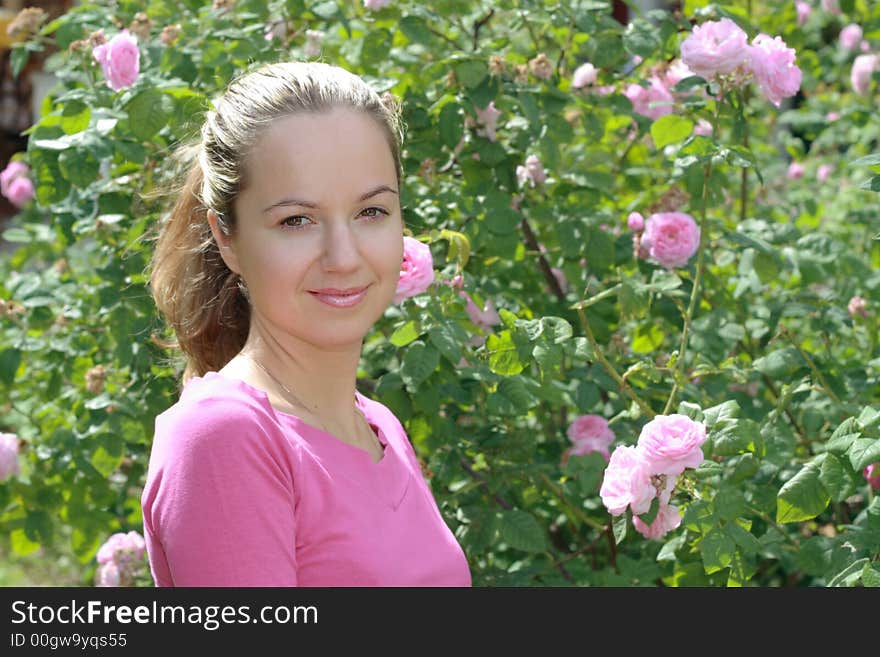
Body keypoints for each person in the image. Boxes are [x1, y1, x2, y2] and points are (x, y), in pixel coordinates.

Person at [140, 61, 471, 587]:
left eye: (371, 212)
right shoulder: (225, 437)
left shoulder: (379, 426)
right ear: (227, 238)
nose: (343, 256)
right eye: (297, 220)